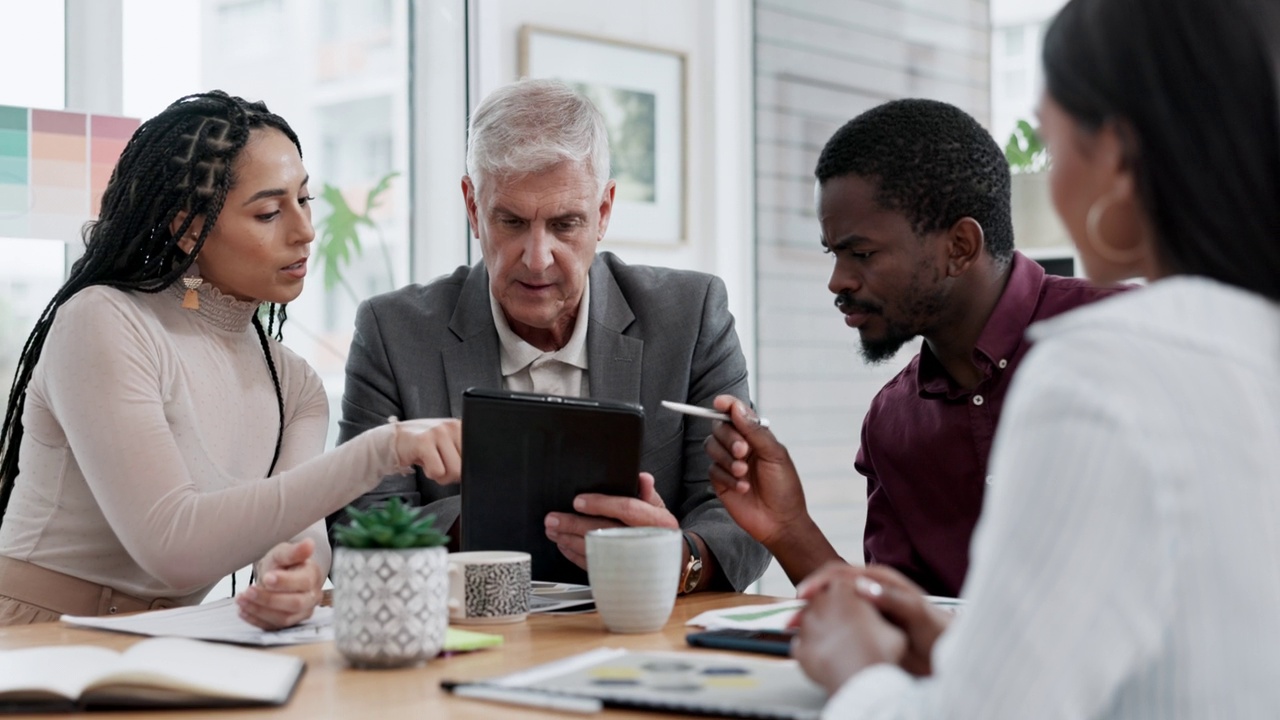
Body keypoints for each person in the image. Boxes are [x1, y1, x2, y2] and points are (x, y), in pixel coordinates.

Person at [768, 0, 1280, 715]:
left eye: (1048, 137)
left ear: (1118, 158)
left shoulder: (1099, 369)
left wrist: (857, 675)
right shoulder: (1248, 342)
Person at [0, 91, 462, 628]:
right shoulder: (103, 321)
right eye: (269, 211)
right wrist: (382, 449)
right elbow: (172, 545)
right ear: (189, 228)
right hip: (32, 639)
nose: (304, 231)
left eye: (304, 200)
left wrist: (297, 577)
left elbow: (297, 533)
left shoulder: (295, 383)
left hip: (165, 642)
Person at [335, 78, 769, 592]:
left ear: (603, 212)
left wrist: (679, 559)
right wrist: (495, 519)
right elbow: (358, 529)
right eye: (512, 221)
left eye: (566, 224)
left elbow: (741, 513)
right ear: (473, 208)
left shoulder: (692, 316)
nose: (537, 258)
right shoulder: (393, 333)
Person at [706, 98, 1122, 595]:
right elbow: (899, 631)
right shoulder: (892, 423)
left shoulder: (1122, 338)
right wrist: (787, 528)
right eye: (834, 253)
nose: (838, 281)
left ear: (960, 247)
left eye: (860, 253)